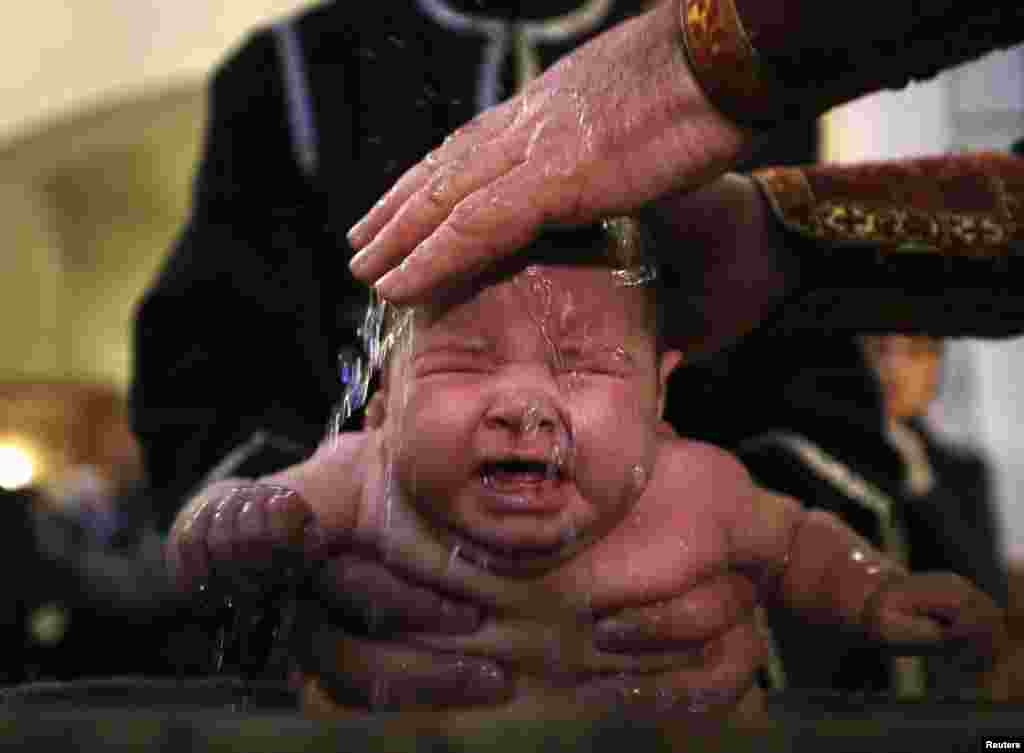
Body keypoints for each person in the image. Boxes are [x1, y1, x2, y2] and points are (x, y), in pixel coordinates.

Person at [141, 0, 777, 711]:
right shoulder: (294, 71)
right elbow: (204, 383)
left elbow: (813, 399)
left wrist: (730, 596)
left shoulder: (740, 51)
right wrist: (292, 570)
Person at [172, 221, 1006, 729]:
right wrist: (226, 524)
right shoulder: (356, 480)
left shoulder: (696, 493)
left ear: (658, 397)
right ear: (382, 401)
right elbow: (224, 526)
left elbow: (801, 546)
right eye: (466, 360)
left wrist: (876, 592)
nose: (524, 404)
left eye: (581, 367)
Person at [345, 0, 1024, 312]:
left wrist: (700, 59)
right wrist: (781, 234)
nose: (523, 403)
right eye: (466, 362)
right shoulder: (295, 75)